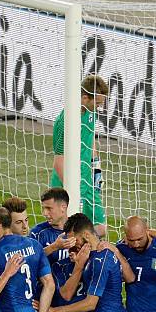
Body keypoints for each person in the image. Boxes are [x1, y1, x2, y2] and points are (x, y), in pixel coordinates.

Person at [51, 74, 109, 238]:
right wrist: (71, 189)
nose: (99, 108)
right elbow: (58, 161)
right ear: (84, 98)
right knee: (66, 230)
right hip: (67, 182)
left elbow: (89, 141)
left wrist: (97, 170)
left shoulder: (92, 113)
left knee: (100, 228)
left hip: (88, 180)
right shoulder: (64, 122)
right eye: (97, 103)